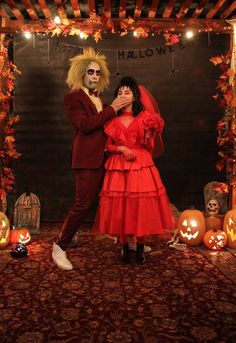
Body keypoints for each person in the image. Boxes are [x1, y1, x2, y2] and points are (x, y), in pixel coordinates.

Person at [52, 48, 131, 270]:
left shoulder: (99, 99)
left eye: (98, 72)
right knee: (83, 205)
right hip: (86, 160)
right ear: (81, 74)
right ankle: (59, 246)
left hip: (106, 158)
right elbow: (85, 126)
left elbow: (107, 124)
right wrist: (113, 108)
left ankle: (128, 240)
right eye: (90, 72)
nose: (95, 76)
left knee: (115, 198)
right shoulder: (73, 98)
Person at [93, 76, 173, 264]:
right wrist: (121, 148)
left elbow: (149, 147)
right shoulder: (112, 119)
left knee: (140, 207)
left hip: (140, 167)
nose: (123, 95)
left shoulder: (145, 118)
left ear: (135, 96)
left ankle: (139, 247)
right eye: (120, 92)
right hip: (119, 167)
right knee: (120, 207)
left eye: (127, 92)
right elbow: (107, 146)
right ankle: (123, 246)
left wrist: (148, 135)